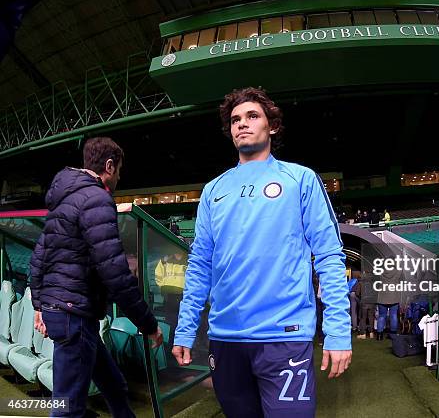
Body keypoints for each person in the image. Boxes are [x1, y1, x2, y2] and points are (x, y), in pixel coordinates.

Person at [173, 87, 351, 418]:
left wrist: (338, 331)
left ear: (272, 126)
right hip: (226, 340)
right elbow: (199, 266)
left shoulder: (300, 180)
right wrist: (184, 329)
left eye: (252, 116)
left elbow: (329, 257)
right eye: (235, 119)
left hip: (284, 337)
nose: (242, 123)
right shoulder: (213, 190)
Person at [29, 137, 163, 418]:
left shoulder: (65, 200)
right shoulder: (98, 199)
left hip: (69, 312)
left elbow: (39, 256)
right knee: (67, 408)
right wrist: (148, 324)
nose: (118, 178)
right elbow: (115, 273)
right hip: (73, 314)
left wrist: (39, 306)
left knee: (113, 385)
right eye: (119, 171)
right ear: (110, 166)